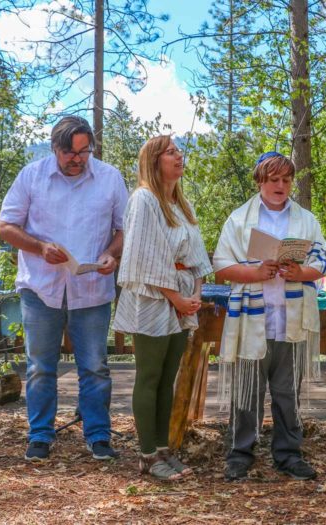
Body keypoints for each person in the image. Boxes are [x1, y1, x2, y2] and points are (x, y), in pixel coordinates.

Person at [0, 116, 129, 462]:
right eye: (71, 153)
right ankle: (40, 434)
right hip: (41, 288)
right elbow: (6, 227)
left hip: (92, 286)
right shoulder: (32, 175)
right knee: (40, 366)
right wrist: (40, 247)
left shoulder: (110, 178)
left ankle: (98, 435)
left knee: (96, 366)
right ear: (55, 148)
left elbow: (123, 230)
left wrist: (110, 253)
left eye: (85, 151)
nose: (78, 159)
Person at [214, 152, 326, 482]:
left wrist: (298, 271)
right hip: (253, 317)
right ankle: (240, 452)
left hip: (290, 317)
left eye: (286, 179)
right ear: (260, 181)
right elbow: (222, 265)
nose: (281, 185)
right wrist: (257, 271)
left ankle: (288, 454)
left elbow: (322, 261)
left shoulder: (305, 219)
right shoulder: (239, 219)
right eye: (273, 179)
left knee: (287, 391)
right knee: (247, 389)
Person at [113, 136, 212, 480]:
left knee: (168, 379)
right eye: (171, 152)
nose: (179, 156)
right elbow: (144, 257)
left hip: (181, 300)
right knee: (150, 376)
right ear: (154, 161)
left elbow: (196, 255)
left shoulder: (181, 205)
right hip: (153, 299)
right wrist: (177, 299)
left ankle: (164, 449)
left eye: (178, 151)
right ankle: (147, 455)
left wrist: (195, 293)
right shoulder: (144, 200)